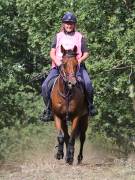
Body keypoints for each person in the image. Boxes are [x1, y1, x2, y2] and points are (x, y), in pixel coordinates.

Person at [41, 12, 97, 122]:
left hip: (77, 69)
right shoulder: (58, 36)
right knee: (44, 86)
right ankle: (48, 110)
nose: (69, 25)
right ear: (63, 24)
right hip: (58, 68)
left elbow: (86, 53)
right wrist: (57, 62)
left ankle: (90, 106)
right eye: (67, 23)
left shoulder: (80, 36)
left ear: (74, 24)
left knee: (88, 84)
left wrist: (79, 61)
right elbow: (52, 53)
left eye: (71, 23)